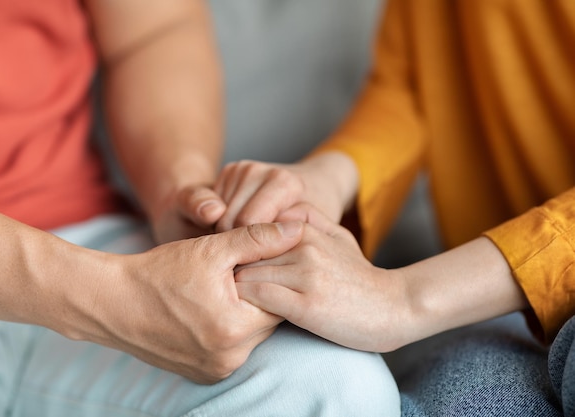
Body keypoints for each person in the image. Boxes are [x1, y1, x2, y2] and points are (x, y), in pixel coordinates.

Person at [0, 0, 401, 415]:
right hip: (73, 277)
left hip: (92, 240)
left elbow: (155, 31)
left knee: (335, 388)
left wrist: (179, 187)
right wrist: (108, 296)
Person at [177, 0, 575, 415]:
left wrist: (406, 297)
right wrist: (326, 179)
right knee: (463, 404)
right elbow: (416, 85)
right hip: (498, 306)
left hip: (475, 292)